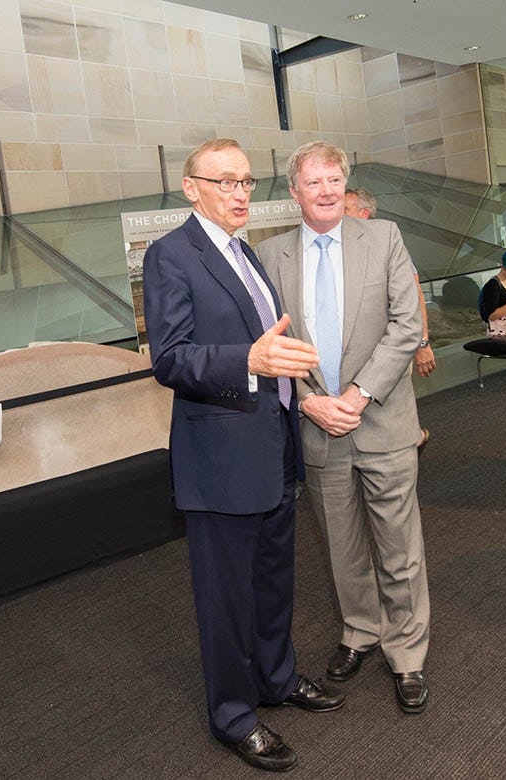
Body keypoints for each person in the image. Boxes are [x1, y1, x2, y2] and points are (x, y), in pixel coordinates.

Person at [143, 138, 345, 772]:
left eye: (247, 183)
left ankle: (277, 680)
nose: (238, 194)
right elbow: (169, 358)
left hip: (272, 444)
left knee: (273, 579)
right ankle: (233, 716)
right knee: (226, 597)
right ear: (190, 187)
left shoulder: (244, 253)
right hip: (220, 461)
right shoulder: (171, 255)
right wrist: (248, 361)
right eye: (224, 182)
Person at [257, 142, 431, 715]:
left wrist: (357, 395)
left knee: (399, 547)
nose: (327, 190)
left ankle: (407, 653)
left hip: (381, 419)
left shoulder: (382, 238)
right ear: (294, 192)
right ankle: (360, 631)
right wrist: (311, 404)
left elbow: (407, 326)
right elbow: (272, 346)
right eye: (314, 182)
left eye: (334, 179)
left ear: (345, 183)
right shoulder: (271, 256)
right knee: (342, 545)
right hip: (318, 427)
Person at [344, 187, 433, 450]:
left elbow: (414, 295)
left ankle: (410, 443)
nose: (338, 214)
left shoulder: (388, 244)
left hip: (390, 348)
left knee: (392, 410)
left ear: (364, 213)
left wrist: (423, 344)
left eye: (345, 209)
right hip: (355, 352)